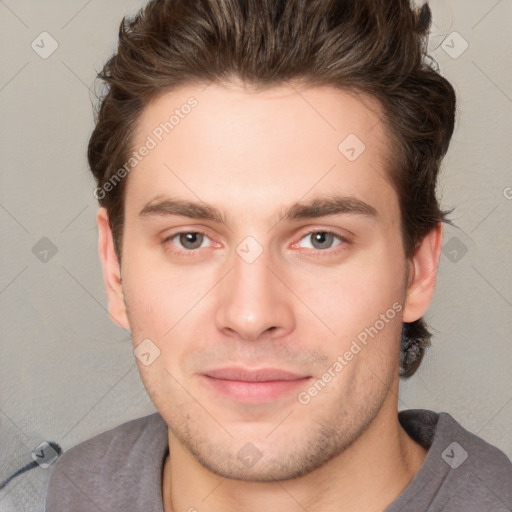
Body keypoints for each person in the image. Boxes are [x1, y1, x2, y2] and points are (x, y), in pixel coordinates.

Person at [45, 0, 512, 510]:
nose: (250, 315)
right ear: (114, 269)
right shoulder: (79, 489)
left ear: (418, 269)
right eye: (190, 239)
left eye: (320, 239)